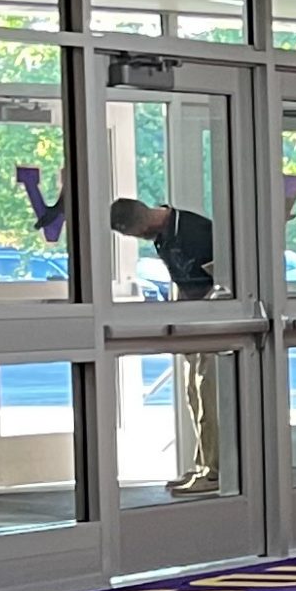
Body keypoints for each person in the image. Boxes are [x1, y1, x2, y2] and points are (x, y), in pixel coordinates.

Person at [108, 197, 219, 495]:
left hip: (212, 322)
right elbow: (185, 283)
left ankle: (215, 470)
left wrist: (203, 314)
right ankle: (202, 464)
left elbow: (221, 277)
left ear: (141, 222)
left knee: (208, 396)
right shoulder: (161, 238)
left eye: (133, 233)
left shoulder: (194, 230)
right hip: (192, 321)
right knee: (193, 395)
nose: (138, 238)